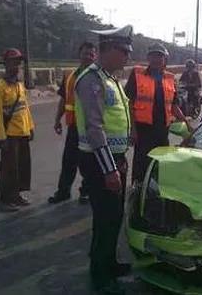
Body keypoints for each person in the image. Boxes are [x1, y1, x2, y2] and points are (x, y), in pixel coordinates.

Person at [74, 26, 134, 294]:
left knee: (115, 215)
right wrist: (110, 169)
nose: (126, 58)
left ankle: (109, 262)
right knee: (105, 217)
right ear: (108, 50)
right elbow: (95, 127)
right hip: (99, 160)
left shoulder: (110, 78)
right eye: (123, 52)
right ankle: (100, 274)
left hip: (114, 157)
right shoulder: (92, 79)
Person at [125, 42, 191, 184]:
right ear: (148, 58)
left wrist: (187, 123)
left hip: (162, 130)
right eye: (153, 56)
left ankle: (154, 193)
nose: (156, 59)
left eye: (160, 56)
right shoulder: (137, 74)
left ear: (165, 60)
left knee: (160, 163)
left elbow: (174, 106)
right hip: (143, 129)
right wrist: (132, 129)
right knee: (141, 163)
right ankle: (137, 192)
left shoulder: (170, 78)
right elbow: (129, 103)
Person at [49, 42, 97, 204]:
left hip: (91, 127)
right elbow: (64, 99)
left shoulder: (99, 76)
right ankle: (63, 191)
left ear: (95, 56)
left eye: (91, 54)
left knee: (89, 162)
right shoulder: (69, 75)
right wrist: (57, 119)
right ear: (79, 54)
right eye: (85, 53)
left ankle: (87, 191)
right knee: (68, 160)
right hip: (74, 126)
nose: (88, 56)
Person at [0, 48, 35, 213]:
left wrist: (30, 127)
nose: (17, 65)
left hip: (22, 132)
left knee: (22, 166)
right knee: (8, 168)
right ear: (5, 64)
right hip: (9, 134)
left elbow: (25, 108)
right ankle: (5, 200)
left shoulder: (19, 85)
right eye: (13, 62)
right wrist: (1, 138)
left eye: (18, 62)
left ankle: (16, 196)